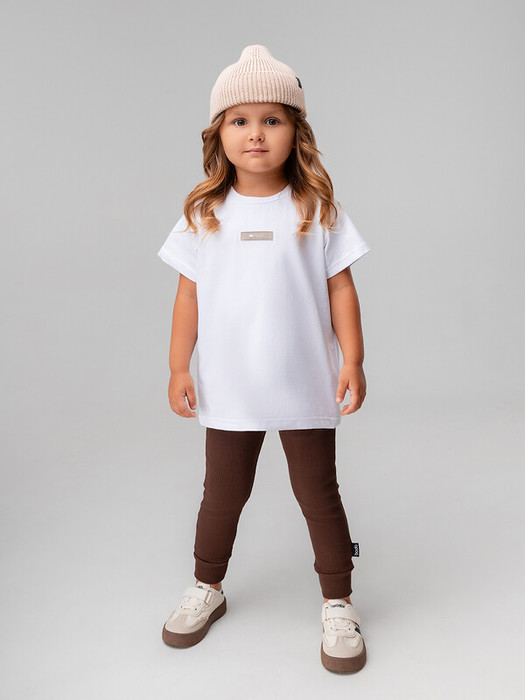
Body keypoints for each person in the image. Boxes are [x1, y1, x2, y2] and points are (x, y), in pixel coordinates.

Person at [157, 45, 371, 674]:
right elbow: (187, 297)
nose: (255, 134)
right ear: (218, 133)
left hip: (305, 383)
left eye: (271, 120)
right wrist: (178, 367)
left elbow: (341, 289)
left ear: (295, 132)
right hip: (231, 387)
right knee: (222, 494)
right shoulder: (204, 214)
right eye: (240, 120)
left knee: (319, 494)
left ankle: (338, 601)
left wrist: (353, 360)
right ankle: (207, 586)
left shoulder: (317, 210)